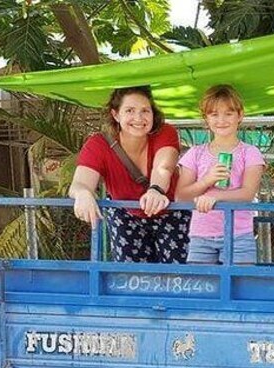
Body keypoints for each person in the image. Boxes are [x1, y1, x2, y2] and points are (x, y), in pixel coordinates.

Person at [69, 85, 189, 263]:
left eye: (145, 111)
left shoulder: (165, 132)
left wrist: (156, 190)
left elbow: (164, 167)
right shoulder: (98, 144)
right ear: (116, 114)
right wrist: (83, 194)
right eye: (130, 110)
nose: (138, 118)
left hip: (171, 211)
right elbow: (79, 183)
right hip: (126, 215)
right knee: (132, 277)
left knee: (179, 275)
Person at [176, 85, 265, 264]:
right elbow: (181, 196)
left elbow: (247, 194)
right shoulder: (195, 153)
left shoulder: (250, 152)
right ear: (206, 118)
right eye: (214, 114)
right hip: (201, 235)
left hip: (238, 235)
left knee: (241, 287)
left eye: (228, 113)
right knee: (202, 288)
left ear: (240, 115)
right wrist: (207, 180)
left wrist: (214, 195)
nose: (221, 120)